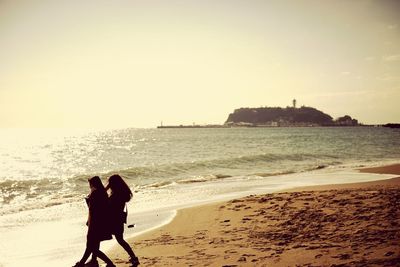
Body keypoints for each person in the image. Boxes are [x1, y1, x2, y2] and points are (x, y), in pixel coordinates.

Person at [73, 176, 115, 267]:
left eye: (90, 183)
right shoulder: (101, 192)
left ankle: (108, 263)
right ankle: (93, 262)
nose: (89, 185)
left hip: (95, 223)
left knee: (91, 246)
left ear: (93, 184)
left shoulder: (96, 193)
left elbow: (93, 209)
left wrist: (88, 200)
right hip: (98, 223)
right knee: (93, 246)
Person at [106, 174, 140, 266]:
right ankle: (133, 257)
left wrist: (106, 188)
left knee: (96, 238)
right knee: (120, 240)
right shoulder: (121, 193)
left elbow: (107, 204)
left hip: (113, 221)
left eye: (109, 182)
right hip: (118, 220)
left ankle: (96, 260)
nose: (108, 184)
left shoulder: (116, 195)